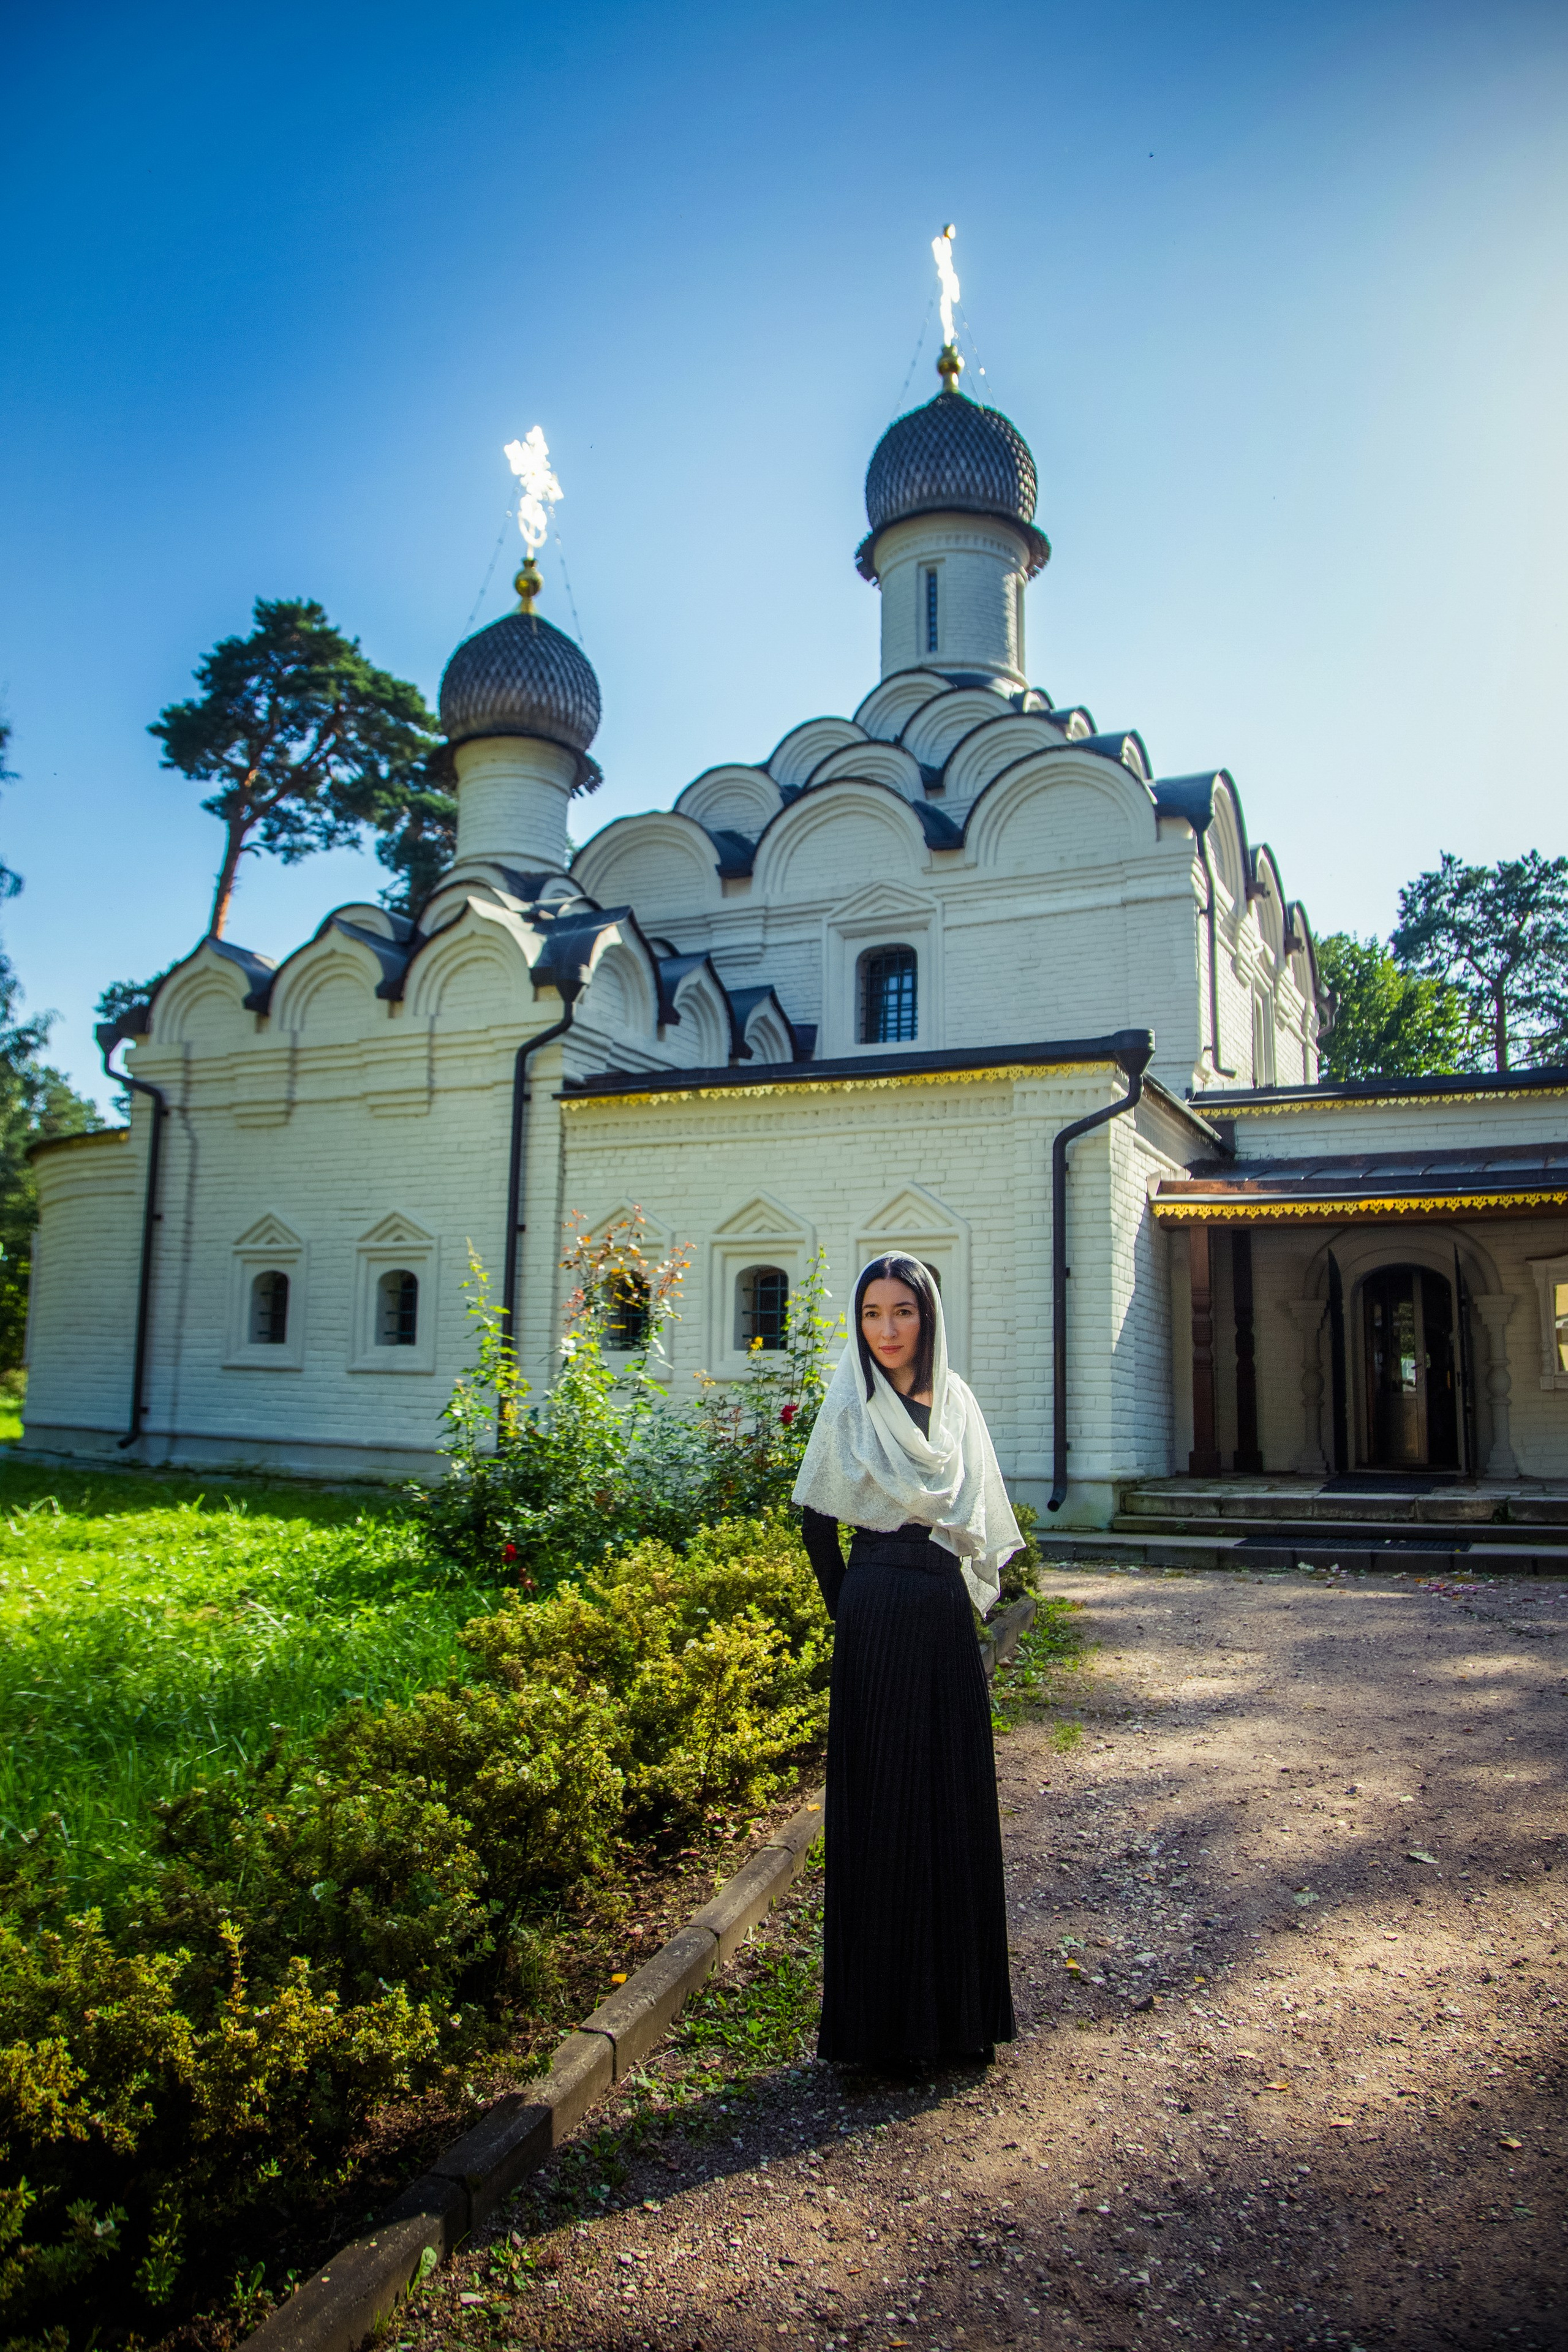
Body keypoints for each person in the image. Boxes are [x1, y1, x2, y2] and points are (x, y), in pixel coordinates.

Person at [793, 1253, 1022, 2069]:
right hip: (879, 1606)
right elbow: (817, 1523)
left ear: (928, 1318)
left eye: (902, 1313)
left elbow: (983, 1522)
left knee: (952, 1801)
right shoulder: (850, 1405)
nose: (885, 1330)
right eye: (871, 1315)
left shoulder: (957, 1403)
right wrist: (851, 1612)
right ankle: (879, 2035)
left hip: (944, 1614)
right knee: (883, 1809)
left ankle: (961, 2019)